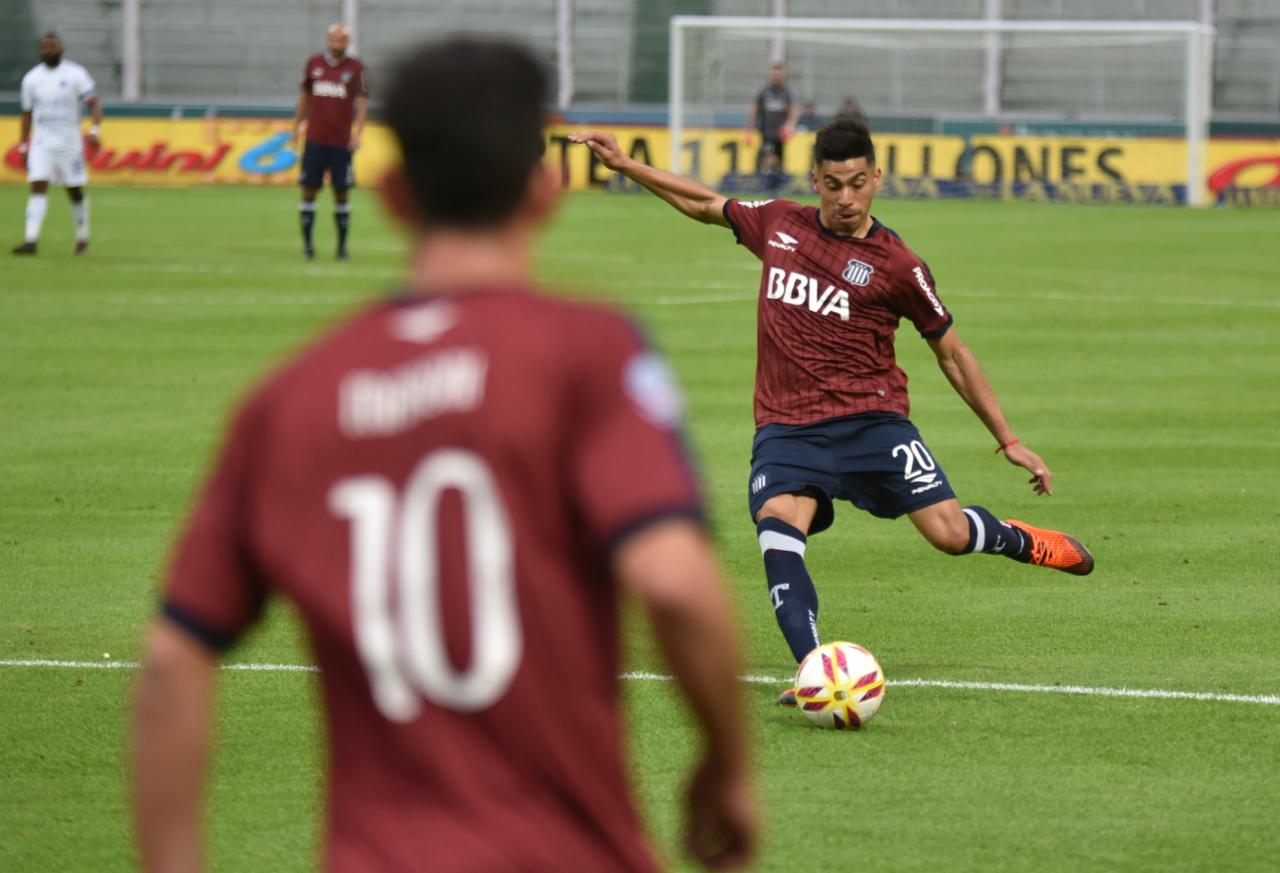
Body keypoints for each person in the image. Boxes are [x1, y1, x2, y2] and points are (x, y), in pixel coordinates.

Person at [132, 39, 756, 873]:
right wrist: (727, 766)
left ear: (392, 196)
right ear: (543, 191)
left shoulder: (289, 397)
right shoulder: (588, 352)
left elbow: (174, 660)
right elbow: (676, 584)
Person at [570, 118, 1094, 703]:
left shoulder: (899, 265)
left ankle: (1025, 541)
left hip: (874, 423)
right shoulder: (779, 223)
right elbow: (702, 202)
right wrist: (625, 166)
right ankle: (816, 669)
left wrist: (1007, 437)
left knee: (947, 534)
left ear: (877, 178)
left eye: (858, 183)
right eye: (833, 184)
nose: (846, 198)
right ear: (814, 180)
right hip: (788, 429)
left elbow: (951, 352)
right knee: (777, 525)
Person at [12, 32, 100, 256]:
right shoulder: (31, 79)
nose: (48, 51)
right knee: (38, 185)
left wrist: (94, 130)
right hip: (42, 142)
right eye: (44, 48)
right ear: (40, 51)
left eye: (52, 47)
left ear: (61, 49)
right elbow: (26, 115)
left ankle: (82, 236)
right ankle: (31, 240)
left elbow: (94, 103)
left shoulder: (75, 74)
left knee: (74, 190)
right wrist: (23, 145)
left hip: (69, 141)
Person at [290, 23, 368, 260]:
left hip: (341, 142)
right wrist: (296, 125)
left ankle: (342, 248)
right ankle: (308, 247)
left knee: (341, 192)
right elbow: (305, 96)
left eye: (342, 39)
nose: (337, 42)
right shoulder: (313, 63)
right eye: (334, 38)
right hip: (315, 139)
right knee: (309, 191)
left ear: (348, 42)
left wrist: (357, 133)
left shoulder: (356, 68)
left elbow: (362, 102)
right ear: (327, 40)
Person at [744, 62, 796, 179]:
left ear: (783, 75)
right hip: (767, 132)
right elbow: (754, 110)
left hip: (781, 134)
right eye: (774, 73)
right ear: (770, 74)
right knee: (769, 157)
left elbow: (792, 111)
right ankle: (768, 181)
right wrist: (749, 130)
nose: (776, 76)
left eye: (779, 73)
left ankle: (775, 184)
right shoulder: (764, 91)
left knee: (779, 159)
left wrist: (790, 125)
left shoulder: (786, 92)